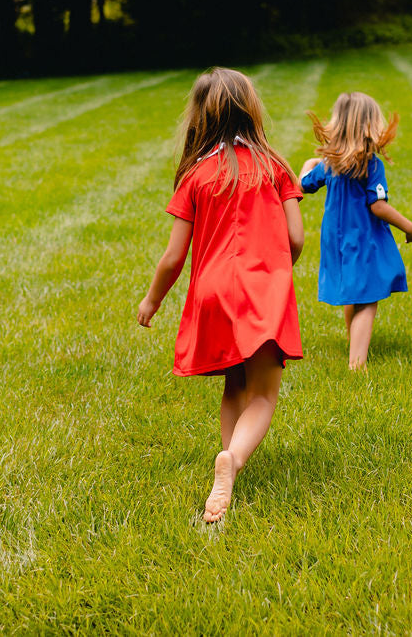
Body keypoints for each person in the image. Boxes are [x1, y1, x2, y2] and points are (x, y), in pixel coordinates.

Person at [137, 68, 304, 523]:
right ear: (252, 110)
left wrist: (152, 300)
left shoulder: (196, 174)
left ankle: (228, 467)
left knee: (235, 384)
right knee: (265, 394)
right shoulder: (274, 166)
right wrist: (280, 266)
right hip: (261, 287)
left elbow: (174, 257)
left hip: (212, 291)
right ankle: (232, 462)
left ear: (200, 118)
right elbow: (296, 236)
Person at [300, 92, 412, 371]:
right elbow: (377, 205)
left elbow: (302, 185)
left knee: (352, 292)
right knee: (367, 299)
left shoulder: (330, 166)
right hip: (362, 239)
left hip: (335, 240)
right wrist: (409, 226)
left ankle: (354, 344)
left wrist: (308, 165)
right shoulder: (371, 164)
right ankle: (357, 363)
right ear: (369, 126)